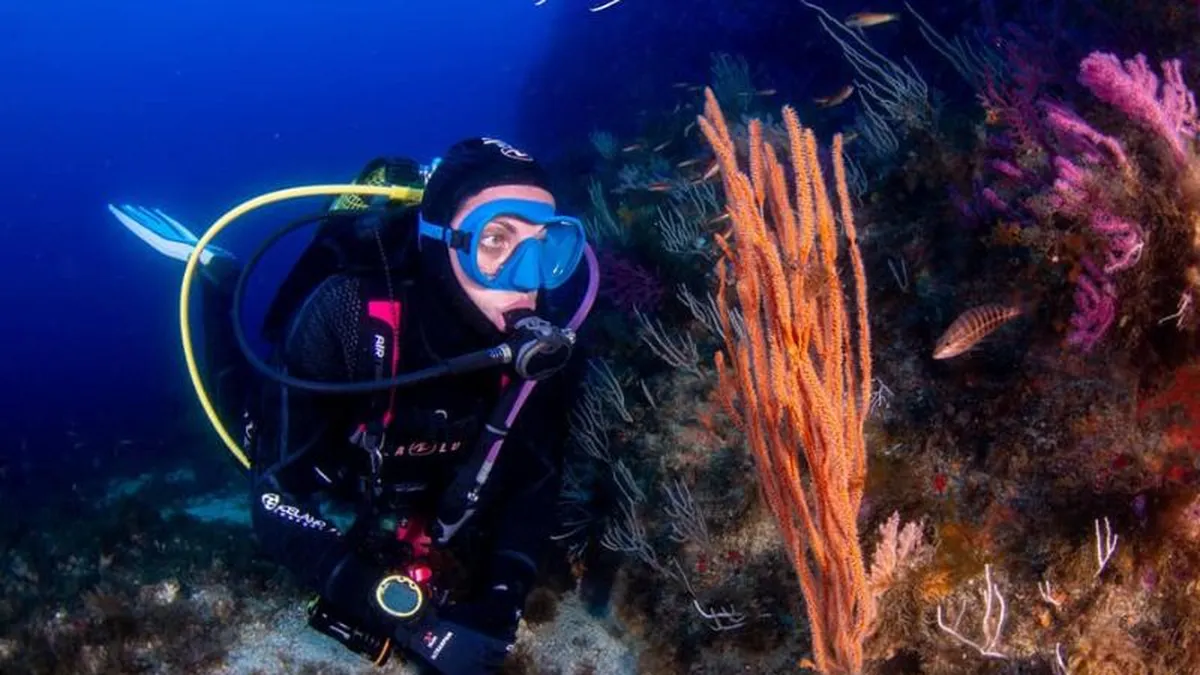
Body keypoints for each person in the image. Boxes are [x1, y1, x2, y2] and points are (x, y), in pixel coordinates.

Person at [108, 138, 598, 673]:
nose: (528, 278)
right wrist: (402, 617)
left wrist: (502, 605)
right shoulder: (346, 310)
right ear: (440, 240)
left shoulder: (545, 335)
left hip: (430, 471)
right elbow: (275, 497)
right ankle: (217, 276)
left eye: (544, 243)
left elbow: (535, 478)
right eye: (496, 239)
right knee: (240, 429)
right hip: (340, 458)